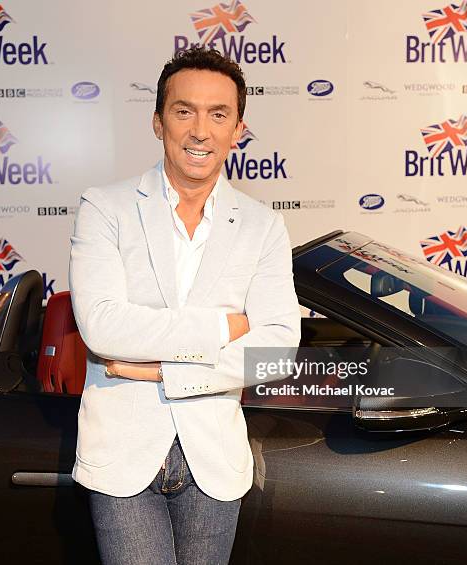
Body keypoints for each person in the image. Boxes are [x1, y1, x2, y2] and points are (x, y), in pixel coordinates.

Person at [69, 46, 301, 565]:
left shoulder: (263, 225)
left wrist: (159, 372)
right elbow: (104, 327)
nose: (201, 130)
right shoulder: (105, 208)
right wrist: (226, 326)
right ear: (158, 122)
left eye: (219, 114)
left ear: (238, 128)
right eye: (184, 111)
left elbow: (277, 353)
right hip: (123, 457)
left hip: (213, 459)